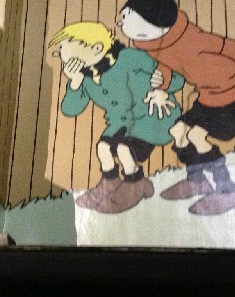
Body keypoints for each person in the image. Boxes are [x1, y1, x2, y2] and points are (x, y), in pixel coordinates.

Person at [117, 0, 235, 215]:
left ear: (154, 22)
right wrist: (161, 87)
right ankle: (197, 181)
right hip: (209, 98)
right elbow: (166, 65)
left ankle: (228, 191)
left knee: (195, 135)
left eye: (128, 17)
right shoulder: (155, 44)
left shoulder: (198, 41)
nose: (121, 23)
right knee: (178, 131)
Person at [50, 21, 184, 213]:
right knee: (103, 148)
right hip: (119, 123)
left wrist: (163, 88)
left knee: (123, 148)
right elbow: (70, 109)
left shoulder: (128, 57)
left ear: (96, 48)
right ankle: (109, 184)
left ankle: (135, 184)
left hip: (152, 116)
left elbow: (173, 73)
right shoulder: (85, 77)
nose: (62, 53)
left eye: (66, 47)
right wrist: (75, 82)